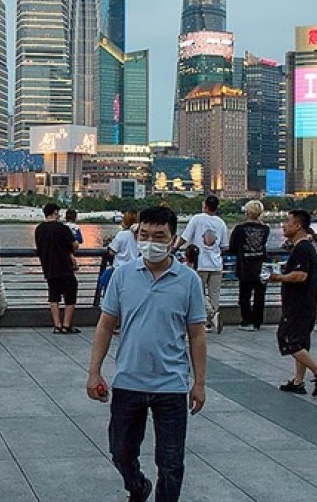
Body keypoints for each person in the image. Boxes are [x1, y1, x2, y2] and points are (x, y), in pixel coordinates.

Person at [87, 206, 207, 502]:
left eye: (159, 236)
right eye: (144, 235)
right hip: (129, 380)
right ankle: (137, 486)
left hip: (172, 384)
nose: (150, 241)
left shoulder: (188, 280)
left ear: (173, 239)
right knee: (121, 452)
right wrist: (94, 371)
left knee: (171, 463)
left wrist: (200, 382)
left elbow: (197, 334)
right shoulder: (122, 275)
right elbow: (105, 325)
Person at [270, 210, 317, 396]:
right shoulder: (303, 247)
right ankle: (298, 381)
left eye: (287, 222)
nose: (284, 225)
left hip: (298, 305)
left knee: (288, 340)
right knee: (301, 342)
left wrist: (278, 277)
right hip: (305, 304)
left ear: (298, 226)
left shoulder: (303, 248)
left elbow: (300, 275)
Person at [177, 195, 229, 333]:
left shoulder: (197, 219)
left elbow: (185, 237)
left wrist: (174, 247)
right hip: (216, 264)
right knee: (214, 294)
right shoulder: (221, 223)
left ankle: (210, 316)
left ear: (205, 205)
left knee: (199, 293)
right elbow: (224, 246)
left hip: (199, 263)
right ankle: (212, 320)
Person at [34, 202, 80, 334]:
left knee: (53, 296)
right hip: (64, 267)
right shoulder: (62, 228)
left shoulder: (39, 229)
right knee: (70, 296)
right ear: (54, 212)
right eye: (58, 213)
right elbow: (74, 244)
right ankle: (66, 325)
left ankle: (57, 325)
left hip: (48, 267)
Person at [231, 200, 270, 331]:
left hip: (245, 265)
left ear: (247, 212)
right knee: (260, 295)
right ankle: (257, 322)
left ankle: (246, 320)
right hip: (261, 264)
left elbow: (232, 247)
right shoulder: (265, 229)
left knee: (244, 295)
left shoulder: (239, 229)